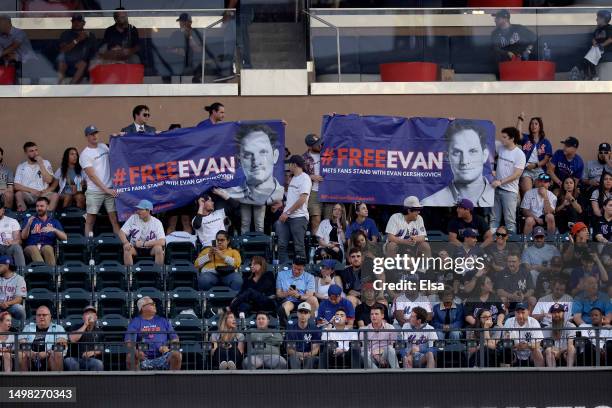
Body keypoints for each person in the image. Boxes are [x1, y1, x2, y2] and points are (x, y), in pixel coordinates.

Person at [225, 124, 284, 233]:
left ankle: (259, 245)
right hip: (244, 197)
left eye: (263, 152)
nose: (256, 161)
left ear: (275, 156)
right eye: (248, 155)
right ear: (239, 160)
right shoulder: (235, 190)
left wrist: (279, 125)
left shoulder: (278, 192)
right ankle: (244, 245)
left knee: (259, 223)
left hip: (261, 200)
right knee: (245, 223)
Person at [421, 120, 494, 207]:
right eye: (457, 152)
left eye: (472, 151)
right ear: (447, 157)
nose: (464, 161)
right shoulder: (430, 202)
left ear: (485, 155)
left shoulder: (497, 198)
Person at [80, 125, 121, 236]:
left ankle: (120, 245)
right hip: (95, 191)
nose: (94, 136)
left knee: (114, 220)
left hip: (110, 189)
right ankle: (88, 246)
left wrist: (118, 138)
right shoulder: (85, 154)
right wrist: (106, 189)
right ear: (87, 136)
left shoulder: (103, 146)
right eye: (91, 134)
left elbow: (116, 157)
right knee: (90, 221)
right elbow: (92, 176)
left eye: (96, 133)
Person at [125, 296, 181, 370]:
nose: (154, 305)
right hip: (144, 358)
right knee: (130, 356)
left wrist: (172, 349)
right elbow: (129, 342)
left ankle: (174, 380)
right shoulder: (135, 322)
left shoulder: (163, 321)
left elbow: (175, 338)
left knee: (176, 354)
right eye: (152, 304)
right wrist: (137, 352)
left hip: (163, 356)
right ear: (142, 308)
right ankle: (135, 380)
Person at [275, 155, 311, 264]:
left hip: (299, 217)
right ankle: (284, 270)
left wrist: (287, 212)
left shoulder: (305, 178)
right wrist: (282, 205)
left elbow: (302, 199)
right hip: (287, 217)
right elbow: (293, 199)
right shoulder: (293, 178)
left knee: (299, 247)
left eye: (289, 164)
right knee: (281, 246)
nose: (288, 167)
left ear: (294, 164)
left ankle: (300, 274)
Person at [490, 127, 526, 234]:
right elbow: (484, 140)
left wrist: (500, 181)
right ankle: (491, 246)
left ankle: (512, 248)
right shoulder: (500, 147)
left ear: (512, 139)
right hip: (497, 189)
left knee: (510, 222)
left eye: (505, 137)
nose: (502, 139)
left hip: (510, 192)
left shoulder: (519, 154)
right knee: (493, 220)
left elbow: (517, 174)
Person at [19, 306, 67, 372]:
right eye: (38, 315)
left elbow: (61, 344)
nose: (41, 317)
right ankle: (24, 381)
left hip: (49, 358)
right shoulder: (28, 327)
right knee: (20, 354)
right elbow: (21, 343)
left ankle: (57, 381)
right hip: (30, 358)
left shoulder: (58, 328)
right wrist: (31, 354)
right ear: (35, 317)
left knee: (57, 353)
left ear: (50, 317)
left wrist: (47, 353)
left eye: (44, 315)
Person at [14, 141, 59, 212]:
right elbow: (16, 185)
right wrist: (31, 190)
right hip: (28, 194)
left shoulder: (46, 163)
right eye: (31, 151)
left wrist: (41, 164)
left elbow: (49, 180)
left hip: (43, 194)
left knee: (55, 195)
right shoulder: (21, 166)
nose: (35, 153)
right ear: (26, 153)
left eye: (36, 150)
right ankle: (23, 214)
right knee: (18, 194)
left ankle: (48, 214)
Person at [118, 199, 165, 266]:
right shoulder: (133, 218)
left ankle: (159, 273)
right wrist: (126, 242)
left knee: (159, 248)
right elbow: (121, 232)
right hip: (135, 248)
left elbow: (162, 241)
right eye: (138, 209)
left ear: (148, 210)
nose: (138, 211)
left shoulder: (157, 222)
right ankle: (129, 274)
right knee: (126, 248)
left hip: (151, 248)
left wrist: (143, 244)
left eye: (141, 209)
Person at [21, 197, 67, 265]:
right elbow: (23, 237)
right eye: (37, 206)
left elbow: (65, 237)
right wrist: (28, 224)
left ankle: (52, 273)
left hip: (46, 246)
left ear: (47, 207)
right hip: (30, 247)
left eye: (42, 206)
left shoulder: (54, 221)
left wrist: (54, 229)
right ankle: (42, 271)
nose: (39, 208)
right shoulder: (30, 219)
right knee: (33, 248)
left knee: (47, 248)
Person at [569, 10, 612, 80]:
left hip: (605, 49)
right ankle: (587, 75)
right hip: (596, 48)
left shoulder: (609, 28)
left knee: (589, 58)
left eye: (598, 18)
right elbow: (593, 38)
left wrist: (602, 45)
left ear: (604, 19)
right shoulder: (597, 29)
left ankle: (592, 75)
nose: (596, 19)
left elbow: (610, 39)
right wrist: (594, 42)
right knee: (587, 58)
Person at [516, 114, 553, 196]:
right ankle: (526, 208)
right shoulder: (526, 138)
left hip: (539, 169)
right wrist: (520, 119)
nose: (533, 125)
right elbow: (517, 134)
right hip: (526, 168)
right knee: (527, 193)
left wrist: (535, 165)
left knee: (540, 193)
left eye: (536, 124)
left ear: (540, 126)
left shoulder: (546, 142)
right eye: (531, 124)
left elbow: (546, 159)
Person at [276, 257, 317, 326]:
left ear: (304, 267)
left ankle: (311, 325)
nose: (296, 271)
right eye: (294, 268)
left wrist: (298, 296)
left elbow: (309, 295)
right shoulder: (281, 275)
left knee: (313, 299)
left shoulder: (310, 277)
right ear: (292, 265)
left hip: (303, 301)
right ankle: (287, 328)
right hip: (288, 300)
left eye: (299, 269)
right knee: (285, 307)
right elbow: (278, 294)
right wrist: (287, 293)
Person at [57, 14, 96, 84]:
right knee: (61, 60)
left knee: (83, 64)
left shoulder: (90, 35)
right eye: (74, 21)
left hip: (82, 62)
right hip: (68, 60)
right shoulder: (66, 34)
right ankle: (60, 85)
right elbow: (63, 50)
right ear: (71, 22)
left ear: (84, 23)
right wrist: (77, 40)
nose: (76, 23)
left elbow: (94, 52)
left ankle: (72, 85)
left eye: (79, 21)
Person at [502, 302, 544, 367]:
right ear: (515, 313)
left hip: (530, 353)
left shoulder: (534, 322)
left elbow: (539, 343)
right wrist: (516, 346)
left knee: (537, 350)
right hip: (514, 352)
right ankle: (505, 376)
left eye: (523, 312)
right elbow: (505, 342)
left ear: (528, 312)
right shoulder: (509, 322)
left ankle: (541, 374)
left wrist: (528, 345)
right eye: (518, 312)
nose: (520, 315)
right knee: (505, 351)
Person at [63, 305, 104, 371]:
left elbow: (100, 348)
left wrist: (92, 352)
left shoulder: (99, 331)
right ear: (83, 317)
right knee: (72, 363)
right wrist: (85, 325)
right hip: (74, 358)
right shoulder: (76, 327)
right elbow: (72, 339)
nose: (90, 316)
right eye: (87, 314)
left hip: (90, 360)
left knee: (98, 364)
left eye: (92, 314)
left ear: (96, 317)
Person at [168, 13, 203, 83]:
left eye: (184, 21)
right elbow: (168, 50)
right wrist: (178, 50)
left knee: (188, 90)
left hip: (192, 69)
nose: (181, 23)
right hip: (177, 67)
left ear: (190, 22)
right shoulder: (175, 34)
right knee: (175, 90)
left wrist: (190, 37)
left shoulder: (196, 33)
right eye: (180, 21)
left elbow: (199, 50)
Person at [360, 304, 398, 369]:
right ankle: (377, 374)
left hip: (385, 355)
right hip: (371, 357)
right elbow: (364, 348)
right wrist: (375, 355)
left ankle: (397, 373)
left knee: (390, 349)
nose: (373, 316)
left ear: (382, 316)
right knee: (364, 354)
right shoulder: (364, 330)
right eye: (372, 314)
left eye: (376, 314)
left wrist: (381, 351)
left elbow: (394, 346)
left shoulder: (390, 327)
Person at [286, 302, 321, 369]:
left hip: (309, 355)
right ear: (297, 313)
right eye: (301, 312)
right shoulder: (291, 329)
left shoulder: (314, 328)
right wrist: (300, 354)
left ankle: (306, 379)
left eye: (305, 313)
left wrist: (307, 355)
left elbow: (316, 349)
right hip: (296, 355)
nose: (303, 315)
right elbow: (289, 349)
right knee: (293, 357)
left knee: (311, 358)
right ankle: (297, 378)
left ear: (309, 315)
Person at [0, 15, 35, 79]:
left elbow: (14, 46)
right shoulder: (1, 36)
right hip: (11, 65)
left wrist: (2, 53)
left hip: (28, 64)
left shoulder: (19, 32)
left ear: (6, 24)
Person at [302, 133, 324, 232]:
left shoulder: (327, 154)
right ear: (310, 146)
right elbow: (298, 175)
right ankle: (316, 245)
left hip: (329, 191)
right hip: (314, 191)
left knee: (329, 220)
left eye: (320, 143)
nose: (320, 145)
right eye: (317, 144)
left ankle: (328, 245)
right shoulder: (304, 158)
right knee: (316, 219)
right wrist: (311, 176)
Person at [543, 303, 576, 367]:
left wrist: (560, 352)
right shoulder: (547, 328)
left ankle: (570, 371)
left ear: (563, 313)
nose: (556, 315)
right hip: (552, 354)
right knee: (548, 350)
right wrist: (554, 351)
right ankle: (552, 374)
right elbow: (546, 345)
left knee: (571, 348)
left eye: (559, 312)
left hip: (565, 353)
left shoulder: (570, 326)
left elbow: (570, 344)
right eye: (554, 313)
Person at [0, 256, 26, 322]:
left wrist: (7, 303)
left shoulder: (19, 279)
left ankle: (22, 329)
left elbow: (19, 299)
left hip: (11, 306)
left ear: (7, 266)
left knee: (19, 308)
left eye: (0, 266)